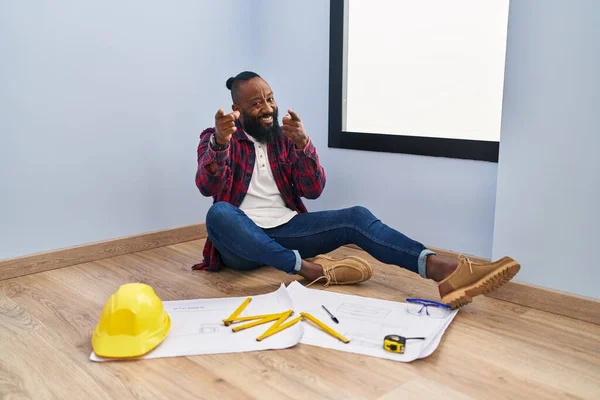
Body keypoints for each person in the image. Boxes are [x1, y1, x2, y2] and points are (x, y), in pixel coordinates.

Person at [193, 71, 520, 309]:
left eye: (270, 98)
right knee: (219, 213)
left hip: (286, 230)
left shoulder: (283, 137)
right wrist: (219, 144)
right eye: (255, 104)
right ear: (236, 108)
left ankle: (441, 270)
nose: (267, 108)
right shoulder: (218, 137)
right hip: (242, 245)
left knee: (357, 216)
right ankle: (310, 271)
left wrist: (304, 145)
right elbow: (206, 184)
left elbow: (314, 190)